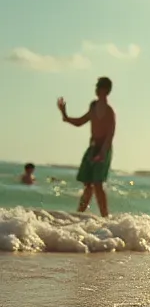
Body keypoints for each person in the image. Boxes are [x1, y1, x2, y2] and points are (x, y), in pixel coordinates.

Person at [58, 77, 116, 217]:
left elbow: (110, 134)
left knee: (97, 184)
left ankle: (105, 216)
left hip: (104, 148)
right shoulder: (93, 107)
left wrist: (102, 152)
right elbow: (79, 122)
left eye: (98, 86)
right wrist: (64, 113)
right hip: (93, 147)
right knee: (87, 184)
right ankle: (80, 215)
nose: (96, 89)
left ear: (105, 90)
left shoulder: (109, 111)